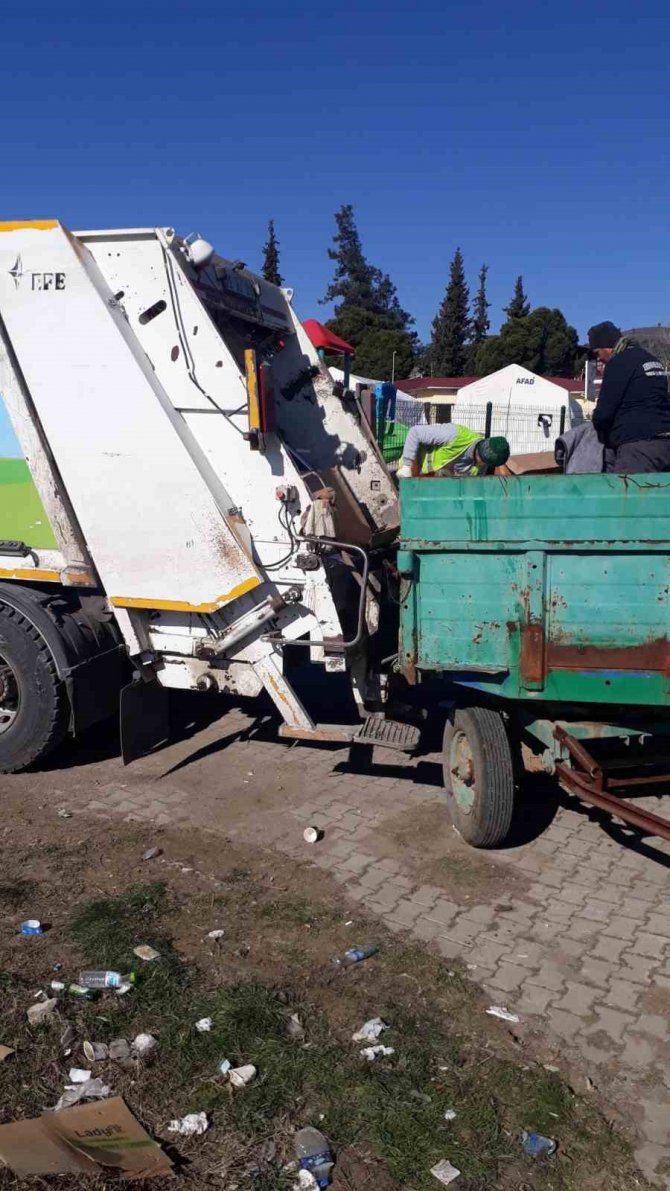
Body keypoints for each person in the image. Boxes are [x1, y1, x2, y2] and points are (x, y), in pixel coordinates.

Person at [589, 322, 670, 473]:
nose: (598, 359)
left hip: (638, 449)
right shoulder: (653, 361)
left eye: (597, 353)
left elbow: (604, 414)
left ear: (606, 346)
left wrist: (598, 426)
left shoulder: (618, 363)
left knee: (628, 494)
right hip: (665, 444)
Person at [396, 423, 510, 478]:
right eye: (482, 458)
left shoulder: (483, 464)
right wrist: (407, 466)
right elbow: (415, 433)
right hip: (415, 471)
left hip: (436, 486)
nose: (482, 463)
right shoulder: (455, 435)